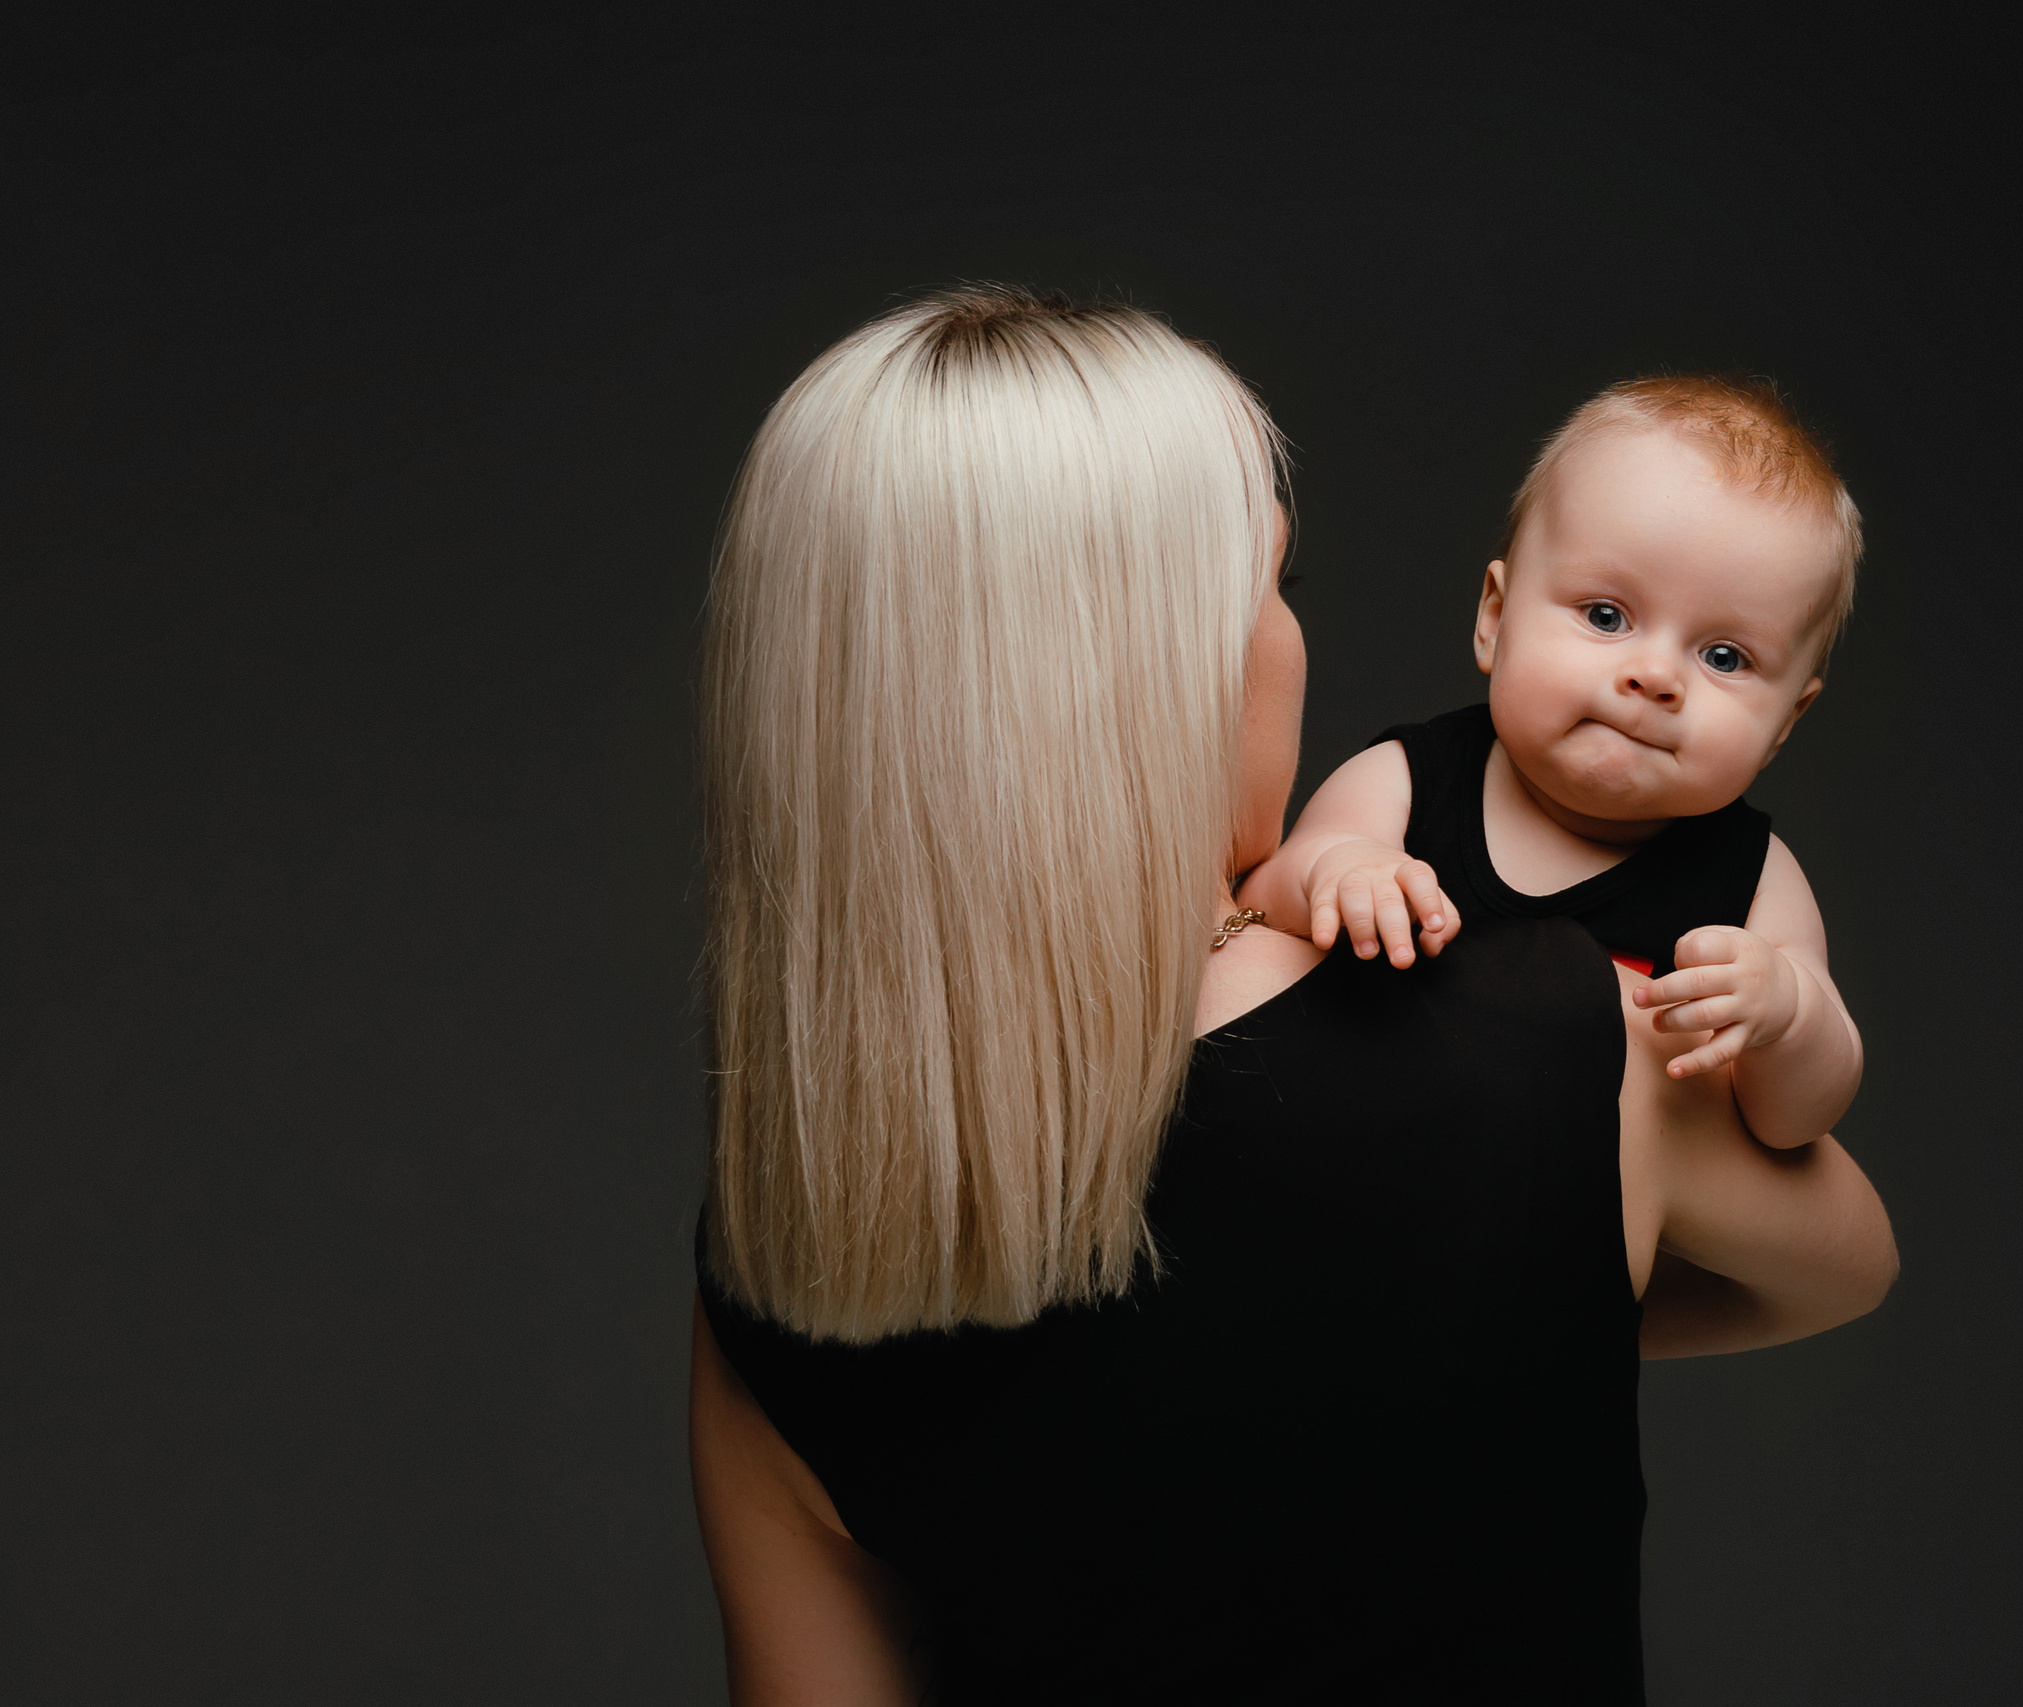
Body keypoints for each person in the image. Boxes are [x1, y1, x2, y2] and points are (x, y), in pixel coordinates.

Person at [688, 289, 1898, 1704]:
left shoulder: (781, 1237)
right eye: (1277, 583)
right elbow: (1849, 1261)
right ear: (1155, 665)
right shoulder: (1558, 1049)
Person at [1239, 377, 1866, 1151]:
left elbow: (1795, 1124)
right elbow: (1258, 908)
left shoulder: (1753, 879)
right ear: (1496, 619)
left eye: (1724, 656)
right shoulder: (1409, 781)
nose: (1656, 676)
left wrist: (1789, 1015)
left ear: (1785, 723)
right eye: (1607, 616)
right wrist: (1338, 869)